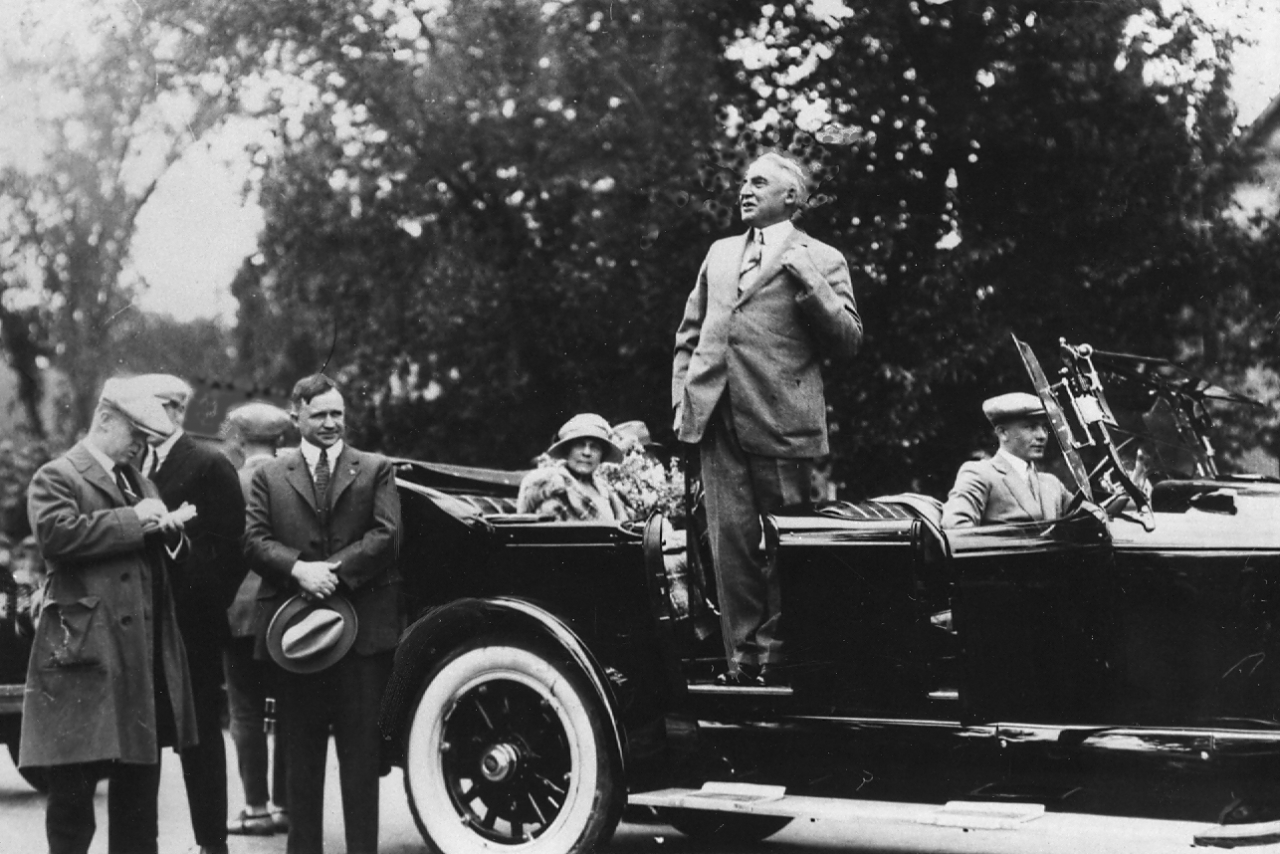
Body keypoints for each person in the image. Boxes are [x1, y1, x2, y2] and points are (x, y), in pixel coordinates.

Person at [672, 151, 862, 687]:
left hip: (782, 420)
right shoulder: (720, 252)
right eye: (744, 182)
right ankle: (742, 664)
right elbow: (689, 337)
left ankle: (783, 661)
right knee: (727, 544)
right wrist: (682, 403)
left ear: (792, 199)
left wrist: (811, 283)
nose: (745, 190)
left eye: (759, 182)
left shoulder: (821, 257)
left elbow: (849, 340)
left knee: (784, 544)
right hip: (715, 417)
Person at [19, 378, 198, 854]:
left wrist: (170, 529)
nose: (142, 446)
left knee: (139, 806)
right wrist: (137, 520)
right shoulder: (58, 475)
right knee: (73, 803)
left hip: (140, 659)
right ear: (104, 419)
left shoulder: (139, 480)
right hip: (84, 659)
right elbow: (57, 536)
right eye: (135, 434)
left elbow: (155, 553)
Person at [244, 373, 402, 854]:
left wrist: (328, 571)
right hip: (294, 635)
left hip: (361, 638)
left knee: (360, 759)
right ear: (297, 417)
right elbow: (253, 541)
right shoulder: (269, 475)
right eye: (320, 415)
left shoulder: (375, 468)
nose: (331, 423)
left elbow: (387, 535)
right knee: (300, 758)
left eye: (338, 414)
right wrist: (298, 571)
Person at [133, 374, 246, 854]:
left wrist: (177, 545)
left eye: (152, 408)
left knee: (197, 738)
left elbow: (230, 553)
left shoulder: (209, 464)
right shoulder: (131, 463)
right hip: (139, 625)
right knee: (142, 739)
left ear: (176, 410)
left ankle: (211, 843)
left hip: (191, 628)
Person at [222, 402, 293, 836]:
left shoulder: (232, 483)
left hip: (239, 610)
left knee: (244, 711)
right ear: (280, 439)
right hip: (286, 610)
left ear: (239, 440)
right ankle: (286, 805)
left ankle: (256, 808)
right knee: (287, 708)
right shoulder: (294, 482)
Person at [941, 392, 1073, 527]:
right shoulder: (980, 474)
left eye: (1044, 427)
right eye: (1031, 427)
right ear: (1003, 433)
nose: (1042, 435)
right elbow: (956, 527)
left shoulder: (1052, 484)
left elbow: (1087, 520)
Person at [517, 413, 629, 521]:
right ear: (568, 450)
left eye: (594, 447)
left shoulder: (605, 491)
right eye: (580, 445)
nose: (587, 453)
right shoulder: (552, 487)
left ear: (602, 455)